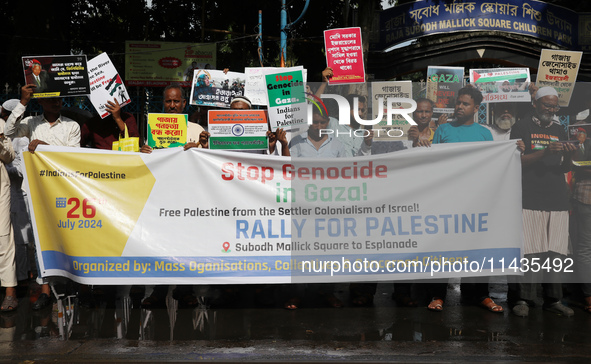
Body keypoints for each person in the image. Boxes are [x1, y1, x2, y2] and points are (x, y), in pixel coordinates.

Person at [4, 84, 81, 310]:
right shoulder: (31, 123)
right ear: (42, 102)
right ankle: (46, 289)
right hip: (36, 188)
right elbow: (8, 132)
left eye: (58, 99)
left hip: (63, 189)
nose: (55, 102)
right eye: (50, 99)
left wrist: (46, 147)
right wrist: (23, 102)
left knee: (67, 235)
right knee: (40, 240)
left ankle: (71, 283)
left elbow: (74, 156)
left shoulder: (71, 125)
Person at [429, 86, 503, 313]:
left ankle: (479, 295)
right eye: (458, 103)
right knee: (442, 247)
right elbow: (432, 163)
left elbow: (492, 165)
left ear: (476, 108)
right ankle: (436, 295)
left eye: (465, 104)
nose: (459, 107)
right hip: (447, 198)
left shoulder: (485, 134)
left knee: (476, 247)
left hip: (475, 199)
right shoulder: (442, 130)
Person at [509, 86, 576, 317]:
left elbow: (565, 167)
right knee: (531, 251)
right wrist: (545, 152)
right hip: (530, 196)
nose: (551, 109)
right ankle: (524, 299)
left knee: (555, 251)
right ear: (535, 104)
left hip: (556, 198)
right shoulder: (521, 126)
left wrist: (568, 153)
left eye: (554, 106)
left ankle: (553, 299)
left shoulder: (559, 128)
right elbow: (516, 162)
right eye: (547, 104)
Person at [2, 99, 33, 285]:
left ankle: (21, 278)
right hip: (7, 192)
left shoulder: (22, 137)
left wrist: (4, 168)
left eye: (6, 116)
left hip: (19, 194)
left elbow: (22, 169)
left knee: (21, 240)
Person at [140, 84, 204, 154]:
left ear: (184, 103)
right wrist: (144, 152)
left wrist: (196, 150)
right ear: (163, 103)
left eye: (176, 101)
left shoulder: (197, 130)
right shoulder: (154, 130)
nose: (172, 106)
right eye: (168, 101)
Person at [572, 127, 591, 314]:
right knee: (586, 248)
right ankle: (588, 295)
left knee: (585, 248)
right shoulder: (580, 130)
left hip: (585, 195)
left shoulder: (582, 127)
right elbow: (574, 162)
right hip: (586, 196)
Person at [0, 105, 17, 312]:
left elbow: (9, 156)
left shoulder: (1, 124)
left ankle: (10, 292)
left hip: (0, 187)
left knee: (3, 236)